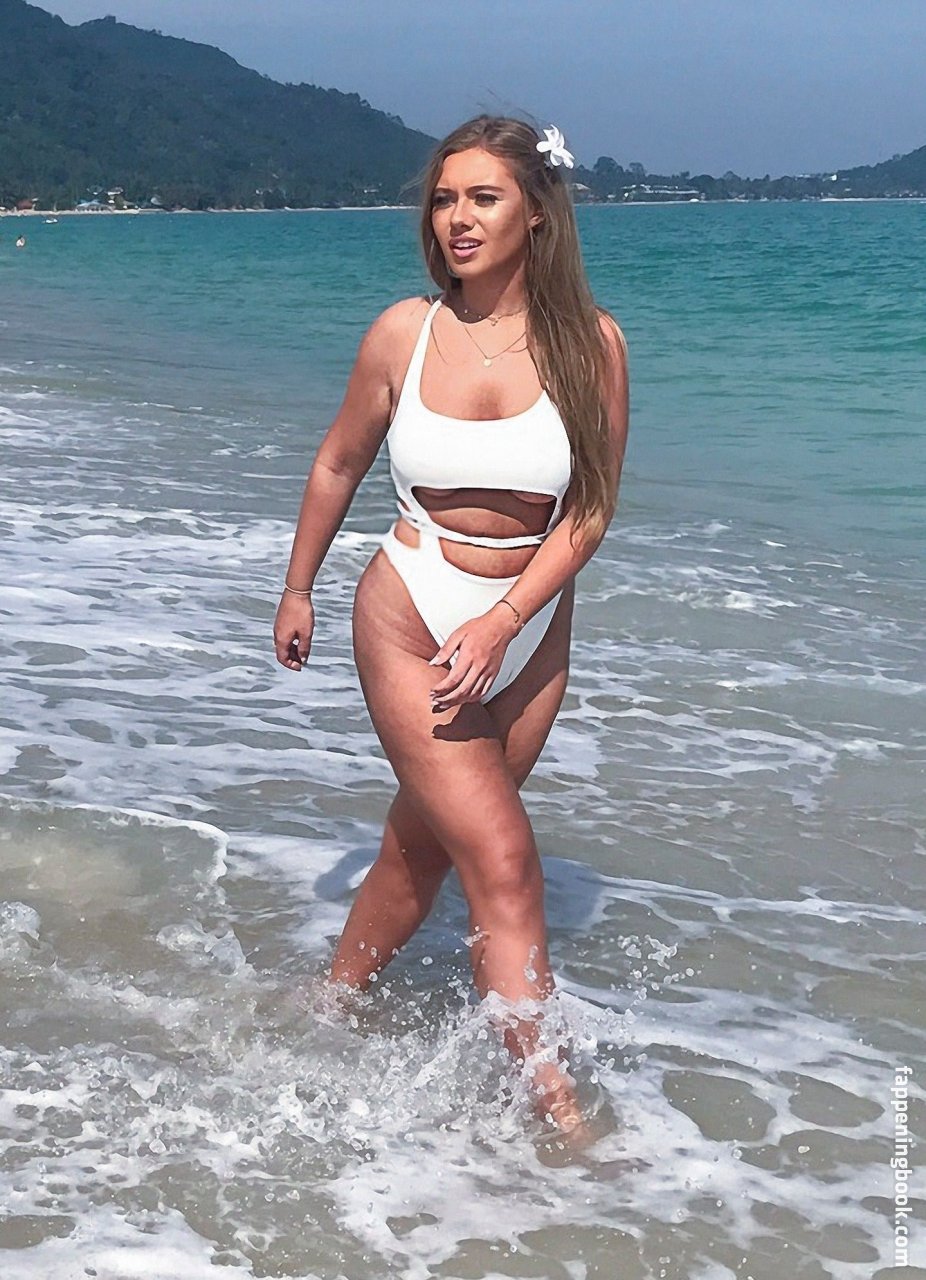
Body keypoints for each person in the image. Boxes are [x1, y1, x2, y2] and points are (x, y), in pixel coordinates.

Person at [274, 115, 629, 1132]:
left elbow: (591, 508)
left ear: (536, 211)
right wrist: (297, 587)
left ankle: (328, 1004)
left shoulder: (592, 344)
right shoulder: (405, 331)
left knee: (425, 846)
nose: (457, 218)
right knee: (505, 861)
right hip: (412, 611)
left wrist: (509, 619)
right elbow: (339, 460)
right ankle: (557, 1113)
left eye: (482, 196)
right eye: (443, 198)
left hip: (527, 633)